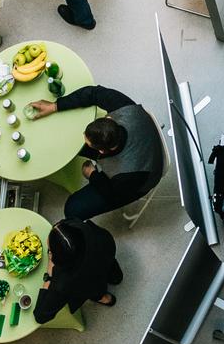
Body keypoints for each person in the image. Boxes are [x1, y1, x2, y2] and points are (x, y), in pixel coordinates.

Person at [32, 83, 165, 215]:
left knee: (72, 209)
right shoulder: (123, 106)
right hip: (141, 138)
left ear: (101, 152)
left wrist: (93, 175)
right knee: (69, 143)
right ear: (109, 118)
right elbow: (93, 92)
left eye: (88, 142)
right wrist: (56, 105)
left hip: (141, 179)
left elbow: (111, 194)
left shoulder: (127, 175)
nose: (83, 136)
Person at [35, 218, 122, 321]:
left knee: (91, 289)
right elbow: (61, 224)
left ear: (58, 260)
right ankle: (116, 277)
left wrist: (49, 275)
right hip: (104, 255)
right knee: (109, 271)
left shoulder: (62, 283)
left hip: (86, 284)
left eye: (51, 251)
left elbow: (41, 316)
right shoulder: (83, 228)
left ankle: (102, 297)